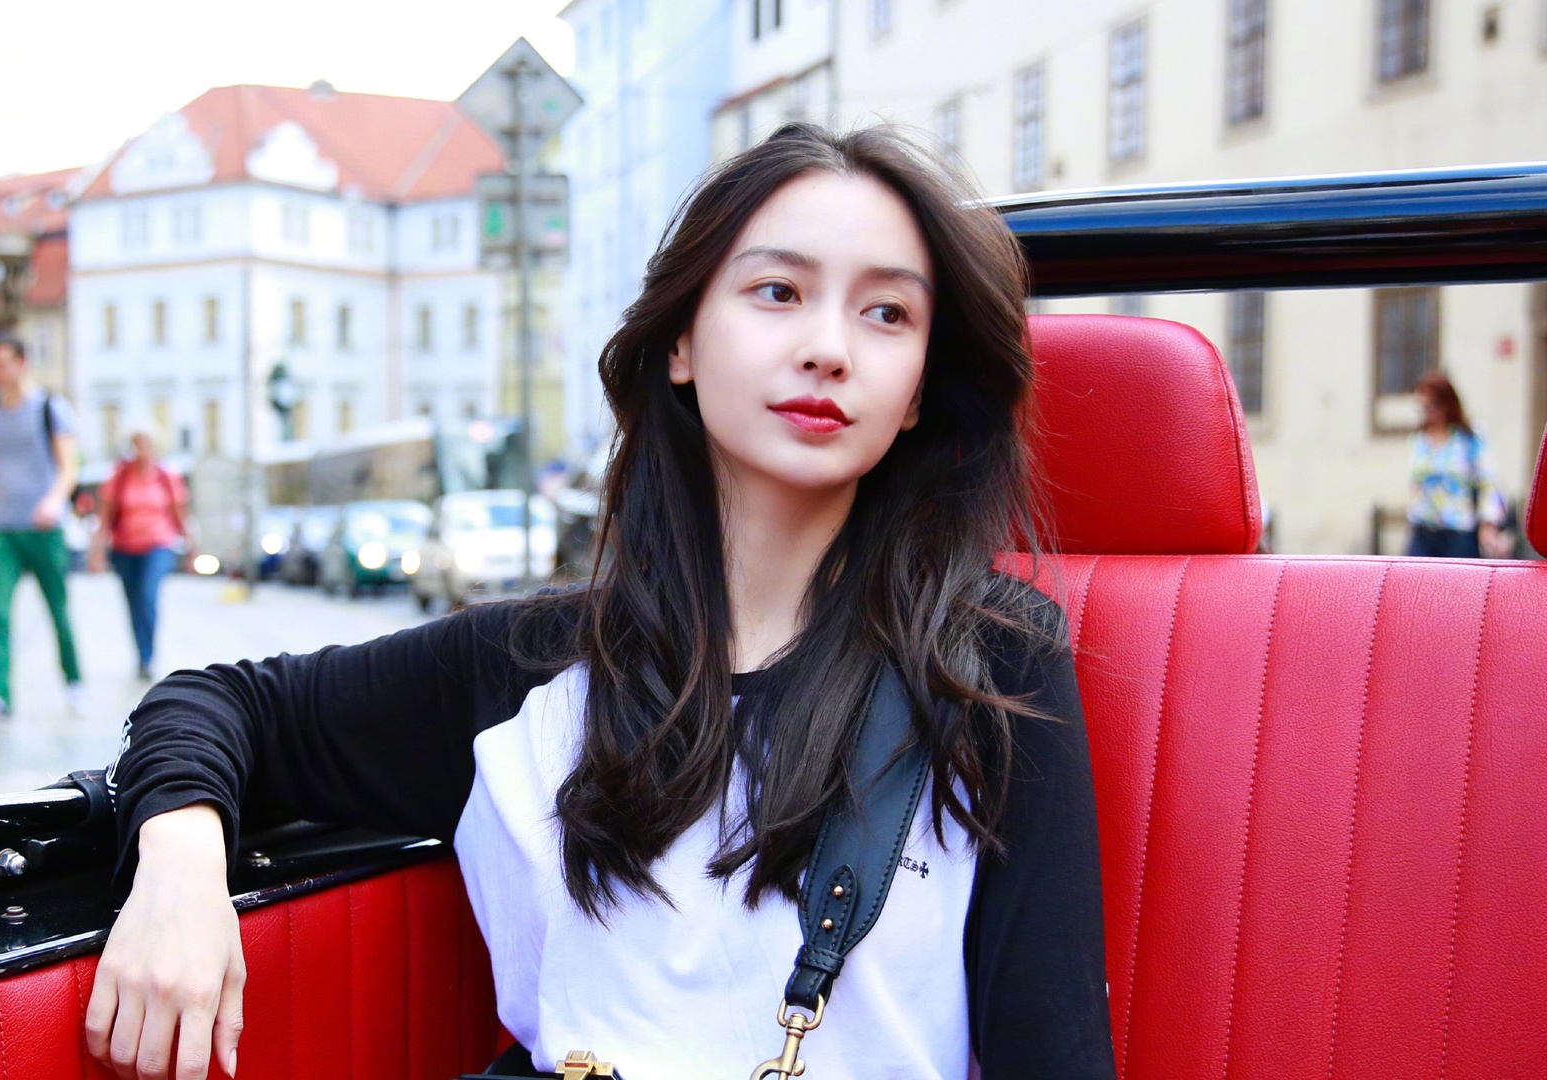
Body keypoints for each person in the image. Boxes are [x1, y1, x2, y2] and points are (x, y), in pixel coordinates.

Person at [89, 125, 1114, 1080]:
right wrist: (179, 860)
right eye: (777, 291)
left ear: (920, 388)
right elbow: (215, 704)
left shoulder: (986, 662)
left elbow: (1056, 1054)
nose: (829, 347)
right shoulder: (533, 664)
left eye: (887, 313)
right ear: (680, 342)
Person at [0, 334, 85, 726]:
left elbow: (69, 467)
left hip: (44, 529)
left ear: (21, 362)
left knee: (58, 611)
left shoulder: (50, 408)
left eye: (1, 364)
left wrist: (53, 501)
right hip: (1, 529)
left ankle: (74, 682)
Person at [88, 430, 192, 681]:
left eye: (146, 445)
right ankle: (141, 655)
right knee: (133, 603)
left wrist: (191, 547)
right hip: (124, 548)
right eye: (137, 445)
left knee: (147, 596)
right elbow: (105, 516)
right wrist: (97, 552)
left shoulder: (167, 476)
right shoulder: (119, 476)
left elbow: (180, 512)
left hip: (158, 545)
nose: (141, 450)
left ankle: (148, 657)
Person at [1407, 370, 1513, 558]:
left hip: (1458, 530)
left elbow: (1488, 481)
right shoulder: (1419, 440)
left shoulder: (1468, 438)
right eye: (1422, 406)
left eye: (1432, 406)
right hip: (1424, 529)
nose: (1427, 412)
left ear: (1446, 404)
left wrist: (1488, 524)